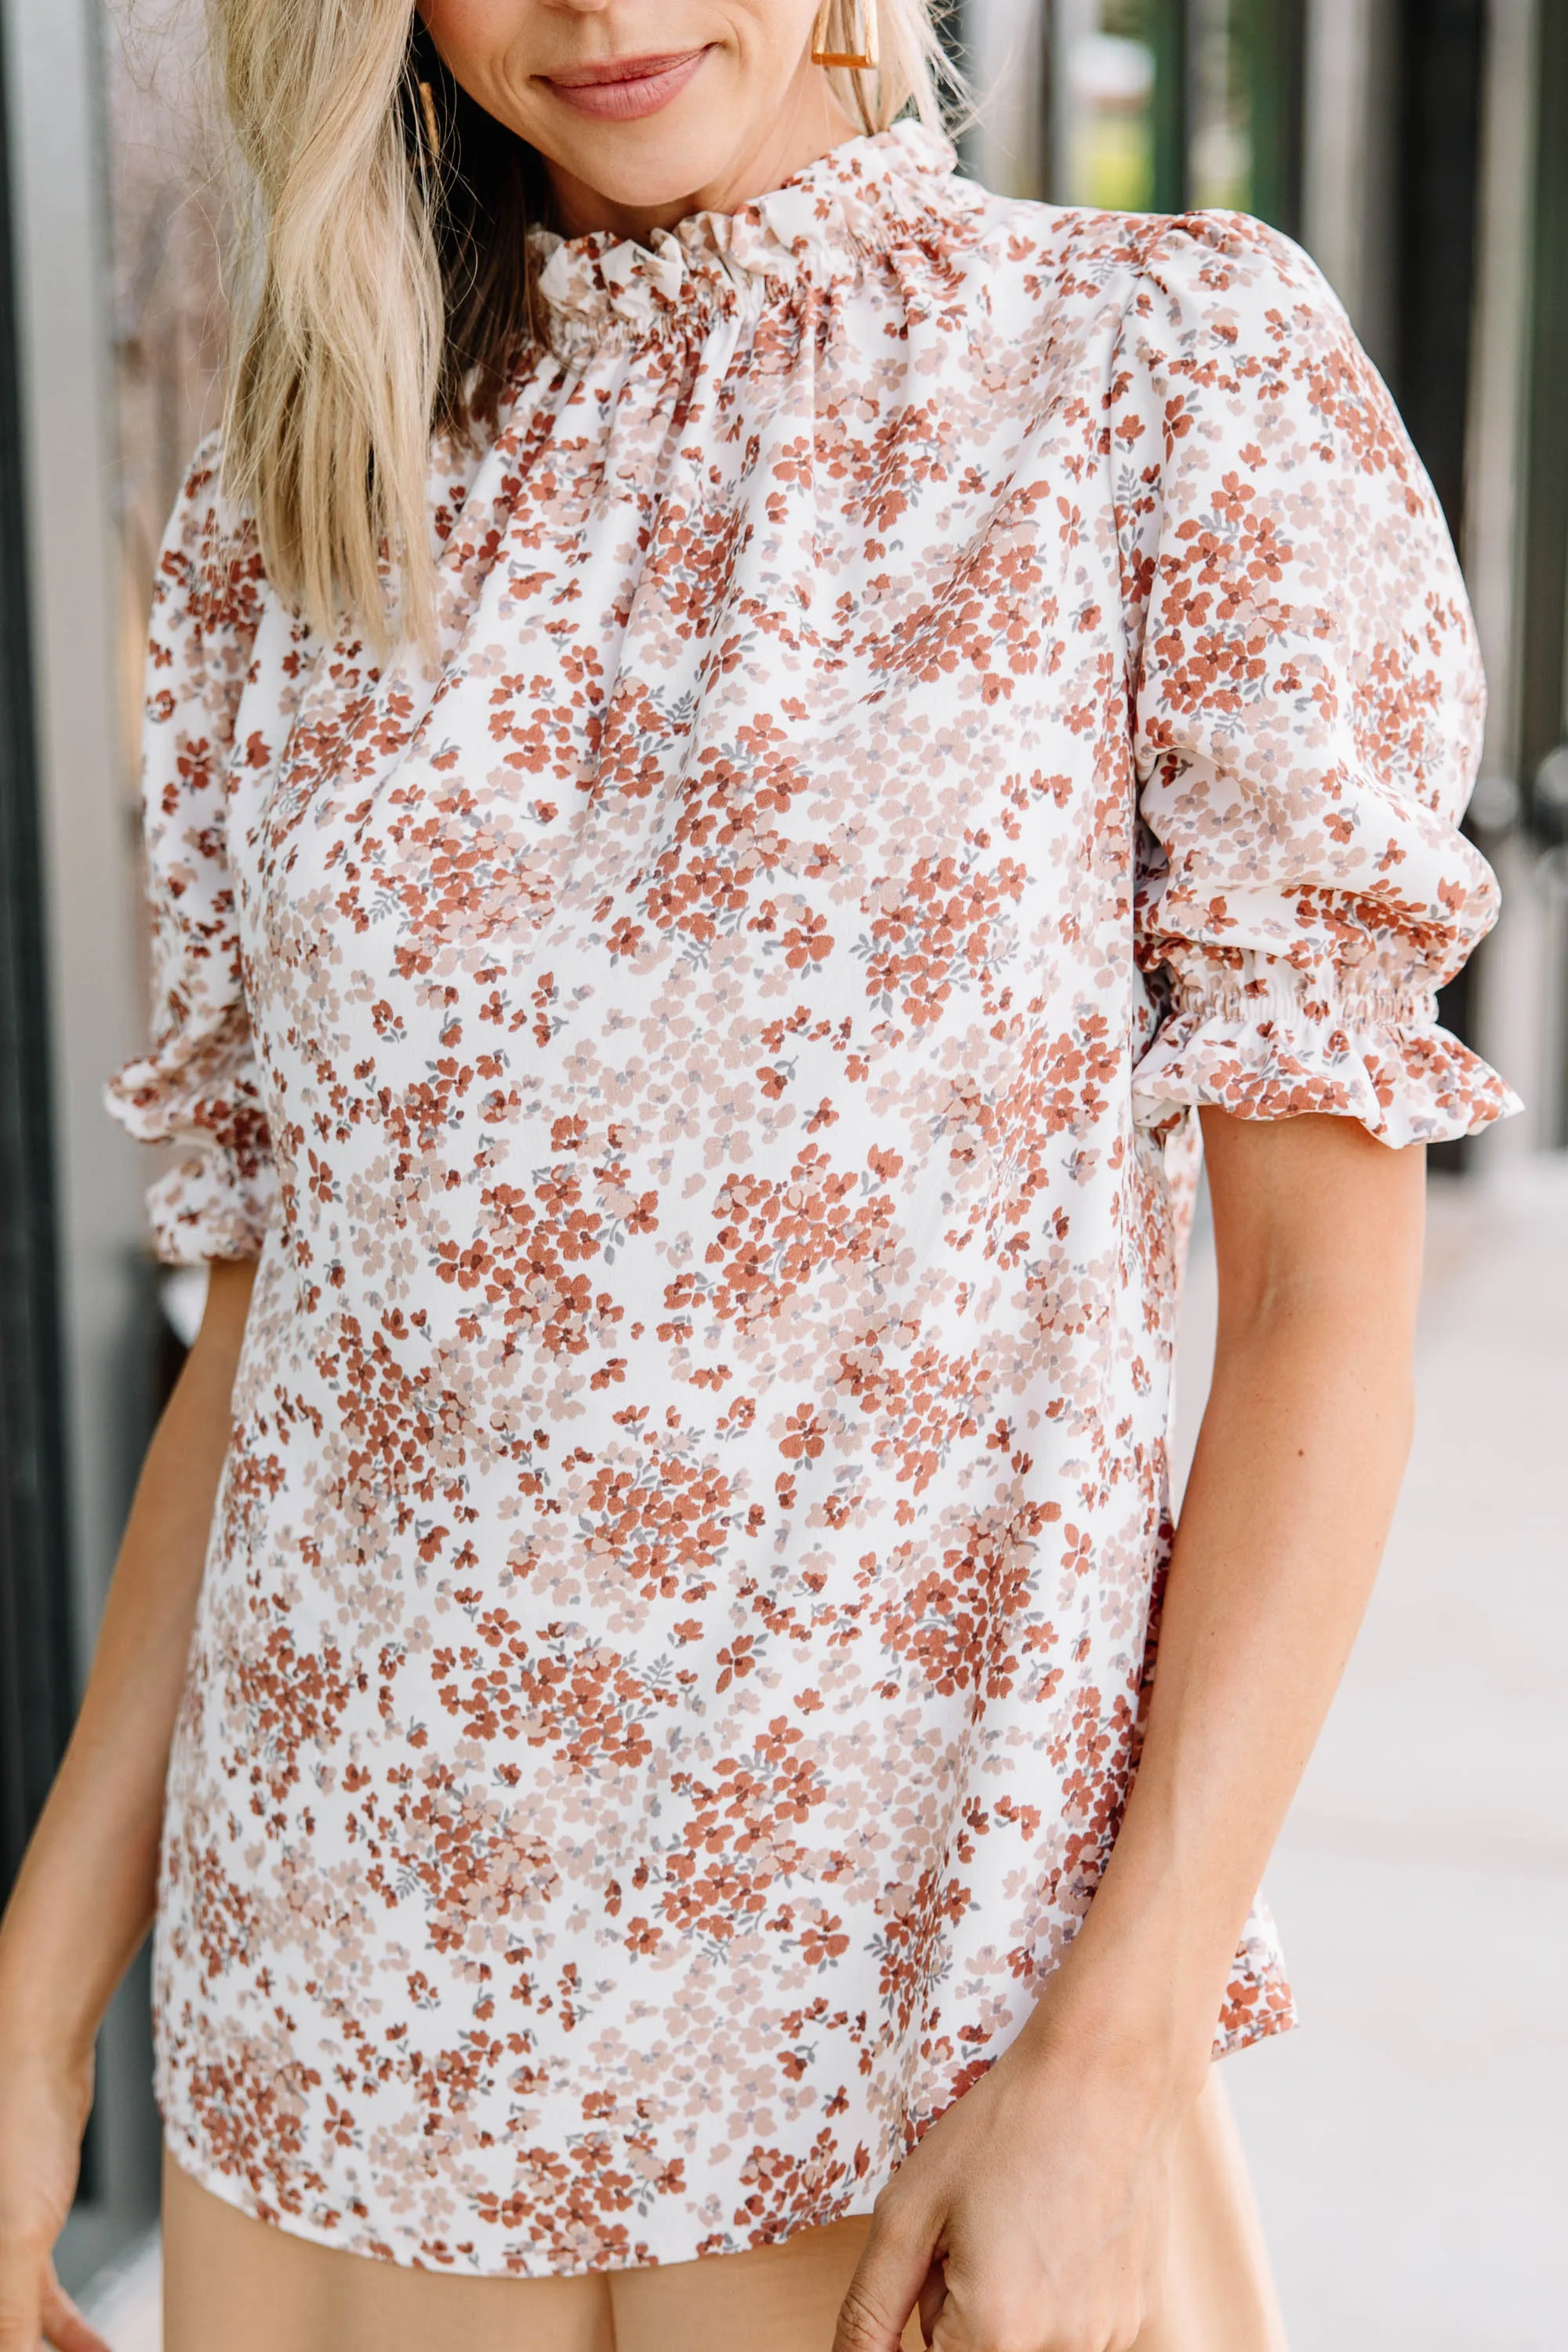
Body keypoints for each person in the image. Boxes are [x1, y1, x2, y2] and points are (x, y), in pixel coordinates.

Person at [0, 3, 1519, 2348]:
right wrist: (35, 2000)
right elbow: (293, 1335)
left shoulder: (1155, 381)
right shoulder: (293, 507)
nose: (599, 11)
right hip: (343, 2047)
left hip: (906, 2064)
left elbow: (1325, 1303)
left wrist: (1107, 2064)